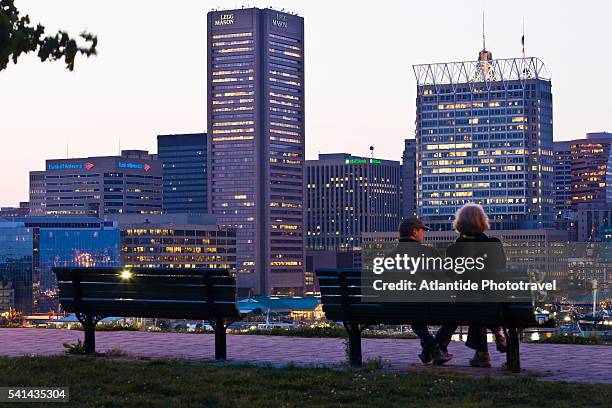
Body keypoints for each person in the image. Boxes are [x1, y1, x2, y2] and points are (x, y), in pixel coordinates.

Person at [443, 203, 508, 368]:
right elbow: (501, 269)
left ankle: (483, 354)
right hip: (494, 299)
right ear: (482, 222)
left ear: (460, 223)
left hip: (466, 300)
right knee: (480, 304)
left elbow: (449, 275)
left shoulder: (454, 249)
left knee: (473, 304)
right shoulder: (494, 244)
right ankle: (497, 332)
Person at [395, 217, 454, 366]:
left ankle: (430, 349)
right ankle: (435, 347)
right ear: (414, 231)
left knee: (412, 308)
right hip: (430, 307)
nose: (424, 235)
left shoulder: (390, 256)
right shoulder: (429, 252)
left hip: (400, 308)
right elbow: (444, 279)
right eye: (422, 231)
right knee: (457, 312)